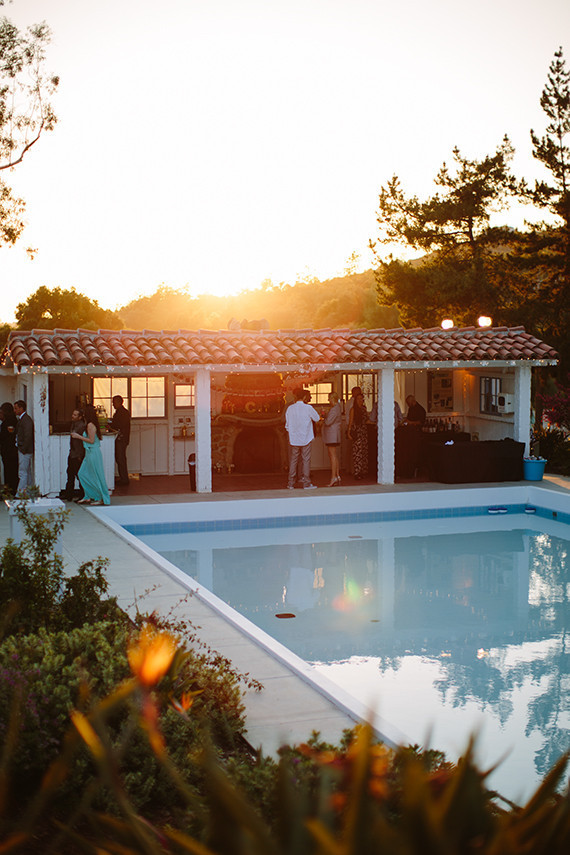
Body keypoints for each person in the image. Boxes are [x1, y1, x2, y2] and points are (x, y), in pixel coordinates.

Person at [72, 403, 110, 505]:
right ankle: (88, 495)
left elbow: (91, 440)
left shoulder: (90, 425)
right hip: (89, 452)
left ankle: (100, 497)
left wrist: (78, 436)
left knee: (96, 475)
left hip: (93, 452)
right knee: (82, 474)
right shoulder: (89, 424)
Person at [285, 388, 320, 490]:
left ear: (296, 396)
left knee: (293, 460)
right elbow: (317, 418)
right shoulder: (308, 408)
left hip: (294, 439)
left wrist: (292, 433)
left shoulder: (290, 408)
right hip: (306, 438)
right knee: (306, 460)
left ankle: (290, 483)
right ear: (304, 397)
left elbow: (287, 425)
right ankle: (306, 483)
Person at [61, 408, 86, 500]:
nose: (72, 416)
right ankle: (69, 494)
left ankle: (83, 494)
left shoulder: (81, 426)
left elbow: (81, 442)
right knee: (70, 473)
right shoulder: (74, 424)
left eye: (75, 415)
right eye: (73, 414)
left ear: (80, 417)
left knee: (79, 475)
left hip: (77, 454)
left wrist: (80, 455)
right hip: (72, 452)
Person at [13, 399, 34, 496]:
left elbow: (28, 435)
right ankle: (29, 491)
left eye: (16, 408)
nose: (14, 410)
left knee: (22, 472)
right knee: (27, 471)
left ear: (21, 408)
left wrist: (23, 449)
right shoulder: (23, 419)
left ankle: (20, 493)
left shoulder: (26, 420)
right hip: (24, 449)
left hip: (24, 450)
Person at [110, 395, 131, 486]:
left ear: (119, 402)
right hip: (121, 438)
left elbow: (119, 425)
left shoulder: (123, 413)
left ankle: (124, 479)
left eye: (114, 403)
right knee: (119, 458)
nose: (113, 405)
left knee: (120, 458)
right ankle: (123, 477)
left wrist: (110, 425)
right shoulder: (120, 412)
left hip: (121, 438)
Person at [348, 392, 369, 480]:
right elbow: (351, 422)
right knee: (357, 453)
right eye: (358, 399)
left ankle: (363, 471)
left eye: (361, 399)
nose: (360, 401)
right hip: (357, 432)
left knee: (364, 452)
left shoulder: (364, 409)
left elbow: (367, 420)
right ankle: (357, 472)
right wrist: (349, 432)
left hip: (364, 432)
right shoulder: (353, 410)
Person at [322, 391, 342, 486]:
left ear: (332, 398)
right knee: (334, 455)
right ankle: (337, 476)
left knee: (332, 455)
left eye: (329, 398)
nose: (328, 400)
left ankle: (333, 477)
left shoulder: (334, 409)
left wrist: (323, 416)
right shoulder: (337, 407)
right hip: (334, 434)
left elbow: (328, 422)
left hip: (332, 434)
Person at [0, 402, 18, 495]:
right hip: (8, 451)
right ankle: (9, 489)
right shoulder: (10, 421)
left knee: (10, 471)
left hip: (9, 451)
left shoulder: (9, 422)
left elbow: (7, 436)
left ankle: (10, 490)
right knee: (9, 470)